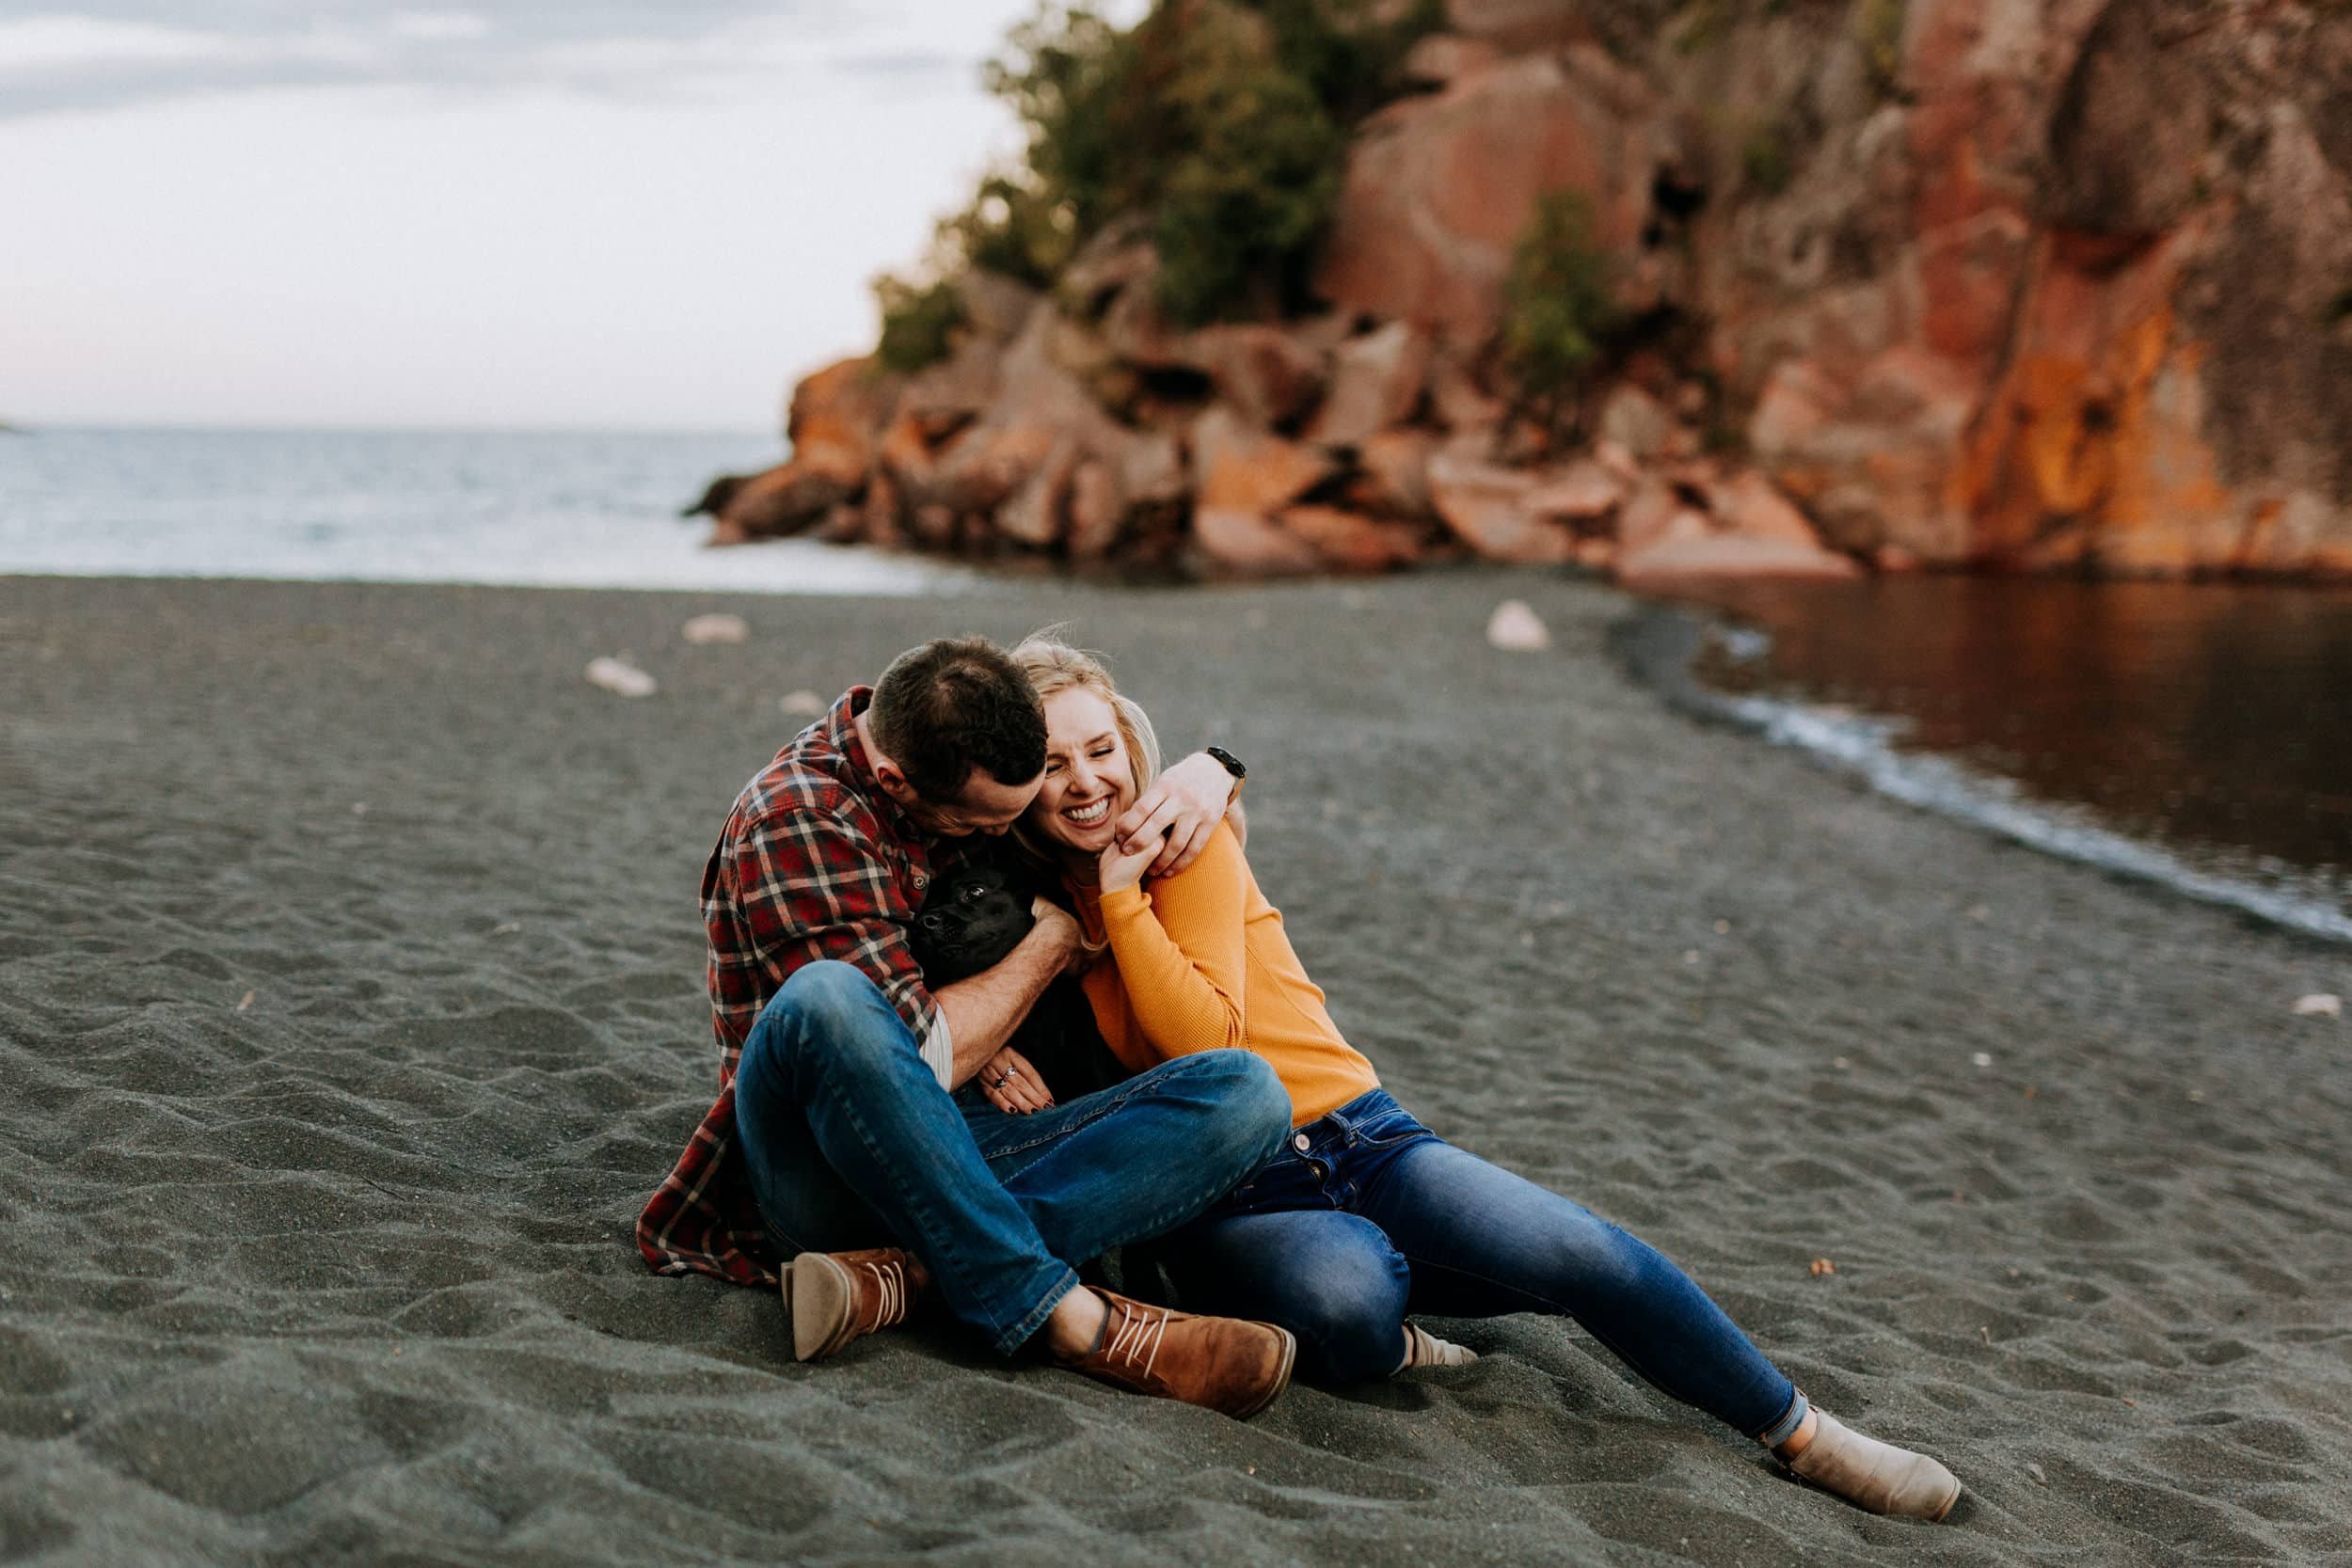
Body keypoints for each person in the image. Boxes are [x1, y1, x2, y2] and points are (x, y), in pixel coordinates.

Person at [999, 634, 1963, 1520]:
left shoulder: (1188, 843)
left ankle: (1807, 1434)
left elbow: (1222, 1037)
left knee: (1577, 1250)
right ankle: (1400, 1315)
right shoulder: (1028, 918)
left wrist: (1151, 857)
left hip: (1358, 1137)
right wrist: (1077, 938)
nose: (1086, 781)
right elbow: (1194, 1064)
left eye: (1100, 748)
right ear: (1015, 785)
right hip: (1227, 1197)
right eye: (1051, 763)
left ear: (1132, 745)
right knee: (1349, 1301)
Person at [636, 636, 1298, 1418]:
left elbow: (1086, 723)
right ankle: (1075, 1322)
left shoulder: (960, 734)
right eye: (978, 825)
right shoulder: (799, 819)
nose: (996, 841)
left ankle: (903, 1279)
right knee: (831, 999)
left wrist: (1215, 769)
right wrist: (1048, 946)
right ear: (895, 780)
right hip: (826, 1165)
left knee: (1247, 1092)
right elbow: (918, 1055)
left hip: (971, 1151)